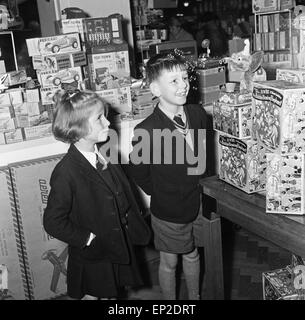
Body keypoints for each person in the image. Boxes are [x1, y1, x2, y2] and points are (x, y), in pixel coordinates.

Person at [43, 90, 151, 300]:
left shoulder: (105, 154)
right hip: (93, 255)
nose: (108, 123)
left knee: (113, 295)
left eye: (105, 116)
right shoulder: (66, 172)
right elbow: (52, 222)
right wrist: (88, 238)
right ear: (79, 127)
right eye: (99, 119)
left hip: (116, 246)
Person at [128, 52, 208, 300]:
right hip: (169, 209)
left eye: (185, 77)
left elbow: (202, 157)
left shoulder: (197, 114)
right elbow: (138, 171)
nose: (183, 84)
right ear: (155, 88)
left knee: (193, 254)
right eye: (173, 80)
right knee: (169, 262)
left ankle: (194, 298)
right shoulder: (147, 130)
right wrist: (162, 191)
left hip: (199, 203)